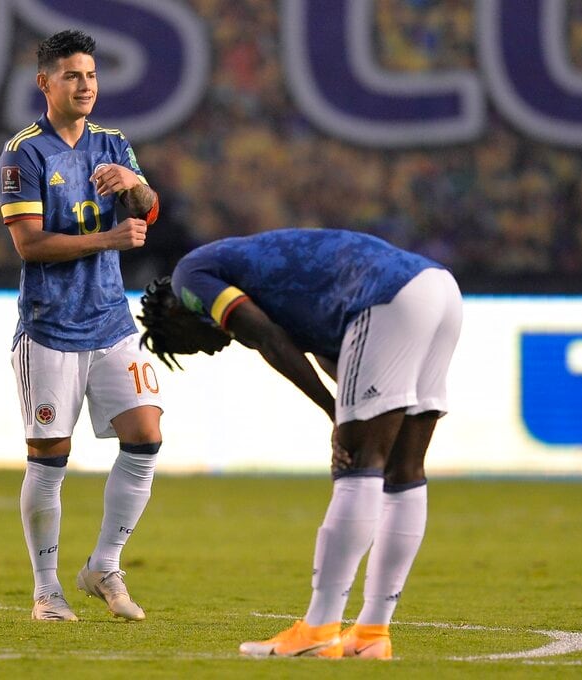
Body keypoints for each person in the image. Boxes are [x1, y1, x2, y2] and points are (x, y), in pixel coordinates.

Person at [137, 228, 463, 658]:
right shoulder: (265, 280)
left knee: (357, 465)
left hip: (385, 297)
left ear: (174, 316)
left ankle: (318, 629)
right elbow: (340, 351)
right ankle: (370, 635)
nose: (208, 352)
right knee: (403, 470)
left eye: (189, 348)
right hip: (438, 287)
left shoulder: (189, 278)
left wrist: (336, 413)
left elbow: (266, 338)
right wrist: (355, 406)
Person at [0, 29, 164, 621]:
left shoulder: (113, 143)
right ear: (45, 82)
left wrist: (136, 187)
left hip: (112, 320)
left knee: (146, 437)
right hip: (50, 327)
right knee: (50, 455)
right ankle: (46, 590)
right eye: (72, 75)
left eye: (91, 75)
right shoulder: (25, 153)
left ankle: (103, 566)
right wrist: (110, 239)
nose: (85, 85)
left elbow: (148, 211)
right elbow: (30, 245)